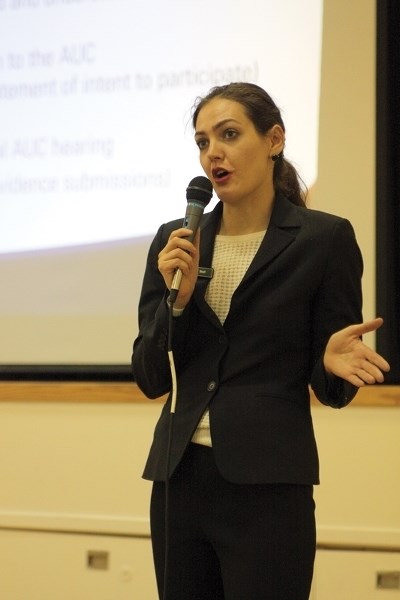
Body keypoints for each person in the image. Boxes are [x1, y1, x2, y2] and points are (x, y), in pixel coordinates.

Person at [131, 82, 390, 600]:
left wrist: (329, 363)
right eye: (203, 142)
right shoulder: (176, 241)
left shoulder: (323, 240)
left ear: (274, 140)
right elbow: (150, 376)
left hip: (268, 485)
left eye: (229, 135)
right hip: (178, 480)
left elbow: (333, 385)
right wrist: (175, 305)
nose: (213, 154)